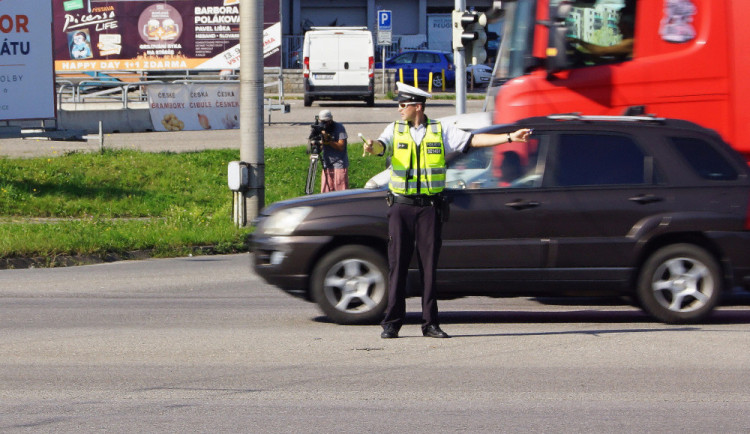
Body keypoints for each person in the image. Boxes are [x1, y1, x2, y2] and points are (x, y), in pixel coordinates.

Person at [363, 82, 531, 339]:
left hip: (429, 209)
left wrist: (509, 137)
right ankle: (392, 322)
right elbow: (380, 146)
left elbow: (473, 140)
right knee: (397, 266)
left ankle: (430, 323)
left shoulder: (440, 130)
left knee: (429, 267)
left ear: (417, 107)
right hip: (401, 207)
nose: (399, 108)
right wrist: (371, 146)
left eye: (403, 104)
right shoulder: (394, 129)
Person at [317, 109, 349, 192]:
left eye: (326, 122)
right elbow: (319, 146)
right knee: (326, 190)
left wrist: (328, 141)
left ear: (331, 119)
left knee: (341, 190)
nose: (324, 124)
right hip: (327, 163)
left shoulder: (339, 127)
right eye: (322, 121)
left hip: (339, 163)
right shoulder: (320, 128)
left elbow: (341, 146)